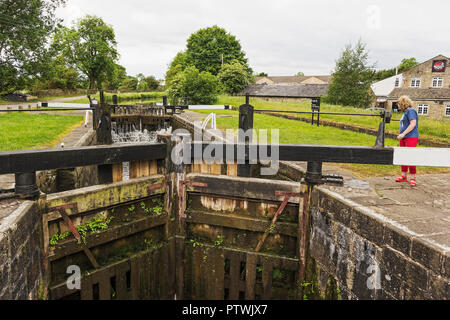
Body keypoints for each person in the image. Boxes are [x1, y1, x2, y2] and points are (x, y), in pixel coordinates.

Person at [395, 95, 419, 187]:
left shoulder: (411, 111)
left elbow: (413, 124)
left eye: (399, 105)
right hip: (404, 138)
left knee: (410, 157)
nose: (398, 107)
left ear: (402, 104)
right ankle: (403, 176)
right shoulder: (405, 112)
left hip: (411, 137)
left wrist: (403, 134)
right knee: (403, 156)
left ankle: (412, 178)